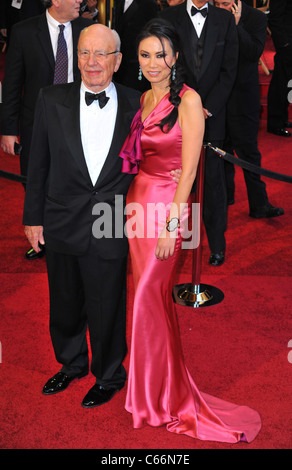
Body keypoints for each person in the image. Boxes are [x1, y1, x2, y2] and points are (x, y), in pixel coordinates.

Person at [22, 23, 180, 408]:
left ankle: (109, 373)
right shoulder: (50, 98)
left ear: (118, 60)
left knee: (107, 301)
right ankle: (71, 364)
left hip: (111, 217)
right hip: (60, 216)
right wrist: (32, 217)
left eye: (101, 54)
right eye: (84, 53)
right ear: (76, 57)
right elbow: (37, 163)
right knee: (63, 300)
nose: (92, 62)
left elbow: (168, 141)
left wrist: (175, 168)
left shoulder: (137, 104)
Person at [120, 18, 261, 443]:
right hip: (136, 204)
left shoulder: (189, 100)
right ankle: (151, 389)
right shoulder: (144, 97)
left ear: (176, 56)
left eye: (160, 54)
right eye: (145, 55)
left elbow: (190, 171)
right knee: (148, 301)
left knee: (148, 296)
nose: (153, 63)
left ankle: (160, 398)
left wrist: (172, 225)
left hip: (166, 207)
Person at [0, 0, 92, 260]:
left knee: (78, 178)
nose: (80, 2)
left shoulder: (88, 29)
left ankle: (72, 233)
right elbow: (12, 83)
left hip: (80, 120)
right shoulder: (25, 31)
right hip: (36, 122)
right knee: (34, 178)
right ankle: (41, 236)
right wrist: (8, 128)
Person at [160, 0, 239, 266]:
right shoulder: (168, 16)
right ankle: (171, 240)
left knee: (213, 185)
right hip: (176, 112)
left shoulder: (224, 19)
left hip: (213, 118)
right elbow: (164, 63)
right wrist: (185, 104)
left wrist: (207, 108)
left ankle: (217, 244)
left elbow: (229, 71)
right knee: (174, 181)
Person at [214, 0, 284, 218]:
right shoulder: (211, 16)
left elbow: (254, 52)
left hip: (244, 98)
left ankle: (259, 204)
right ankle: (225, 197)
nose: (221, 7)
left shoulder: (256, 18)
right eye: (217, 3)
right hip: (218, 98)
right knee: (220, 151)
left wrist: (236, 26)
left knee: (249, 153)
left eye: (225, 3)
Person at [113, 0, 159, 92]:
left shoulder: (149, 4)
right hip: (120, 66)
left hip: (137, 67)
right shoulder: (118, 3)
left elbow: (153, 34)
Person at [267, 0, 292, 137]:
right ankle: (275, 123)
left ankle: (282, 118)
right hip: (286, 43)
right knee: (280, 82)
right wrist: (284, 44)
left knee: (288, 83)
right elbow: (274, 18)